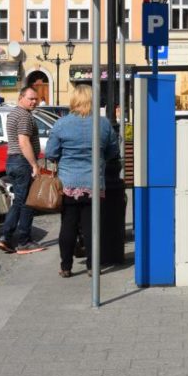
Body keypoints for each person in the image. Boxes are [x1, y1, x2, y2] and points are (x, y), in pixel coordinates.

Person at [45, 84, 119, 278]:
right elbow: (114, 150)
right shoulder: (103, 124)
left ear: (74, 100)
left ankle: (66, 266)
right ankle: (92, 266)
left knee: (68, 225)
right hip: (94, 183)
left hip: (68, 183)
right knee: (92, 227)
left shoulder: (62, 124)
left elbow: (51, 153)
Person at [0, 86, 46, 254]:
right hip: (22, 161)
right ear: (21, 97)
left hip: (12, 160)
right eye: (31, 98)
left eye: (36, 99)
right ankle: (23, 241)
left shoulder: (13, 114)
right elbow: (24, 142)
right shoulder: (24, 116)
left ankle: (6, 238)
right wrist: (34, 165)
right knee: (26, 203)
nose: (34, 101)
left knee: (19, 201)